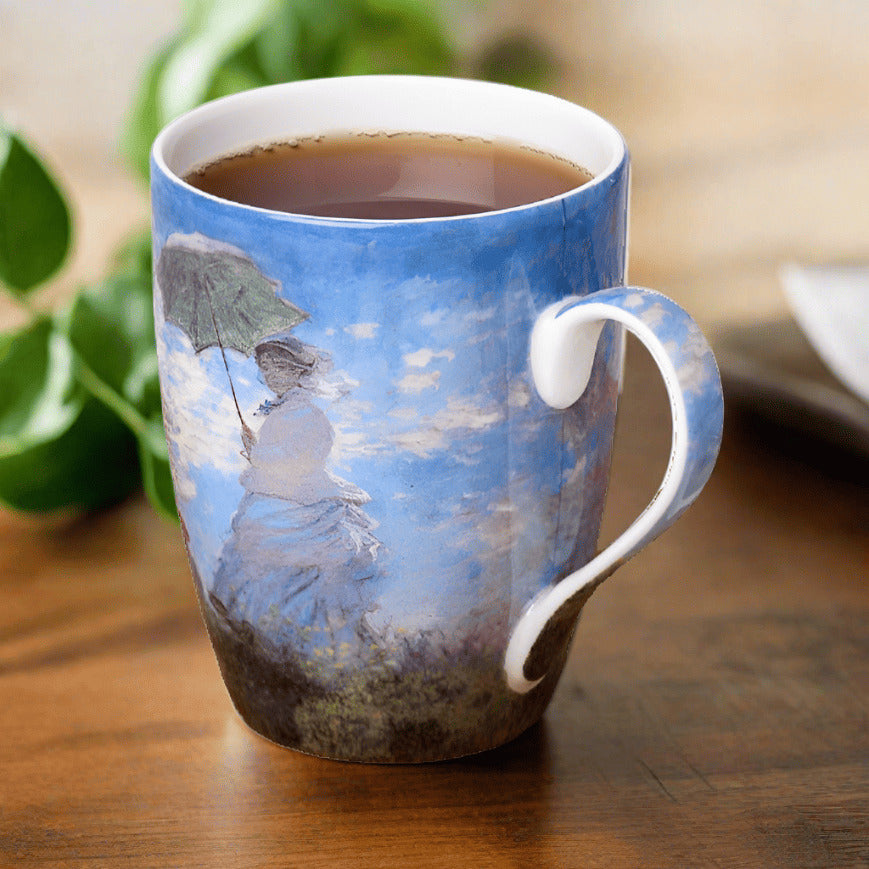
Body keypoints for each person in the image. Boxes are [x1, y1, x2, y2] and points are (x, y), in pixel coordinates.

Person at [210, 333, 384, 682]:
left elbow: (302, 459)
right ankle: (262, 635)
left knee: (300, 571)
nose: (270, 374)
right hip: (272, 498)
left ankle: (311, 648)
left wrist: (258, 453)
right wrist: (256, 449)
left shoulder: (307, 414)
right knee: (252, 547)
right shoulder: (283, 412)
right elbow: (278, 459)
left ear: (295, 370)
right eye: (264, 367)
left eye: (277, 366)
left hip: (301, 504)